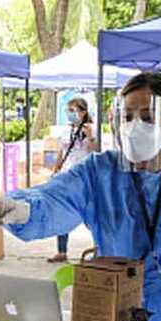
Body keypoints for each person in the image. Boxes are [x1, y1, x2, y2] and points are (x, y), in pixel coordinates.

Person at [0, 71, 161, 321]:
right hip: (109, 298)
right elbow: (58, 197)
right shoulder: (99, 171)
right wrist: (24, 210)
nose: (134, 126)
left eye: (147, 118)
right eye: (127, 117)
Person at [49, 97, 97, 264]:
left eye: (73, 110)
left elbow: (95, 153)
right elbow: (61, 153)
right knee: (61, 213)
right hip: (66, 177)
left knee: (90, 215)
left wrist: (90, 137)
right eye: (68, 111)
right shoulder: (65, 131)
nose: (69, 114)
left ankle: (99, 248)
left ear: (83, 112)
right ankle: (61, 251)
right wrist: (55, 171)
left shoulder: (91, 130)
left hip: (84, 179)